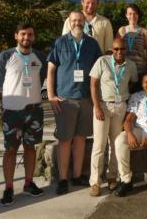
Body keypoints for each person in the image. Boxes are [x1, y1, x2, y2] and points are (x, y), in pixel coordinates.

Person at [47, 10, 102, 195]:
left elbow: (99, 71)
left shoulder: (92, 44)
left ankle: (77, 176)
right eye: (74, 20)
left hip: (86, 99)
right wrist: (50, 94)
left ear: (85, 22)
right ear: (69, 22)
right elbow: (51, 69)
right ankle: (63, 179)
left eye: (80, 20)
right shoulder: (60, 42)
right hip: (66, 99)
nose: (77, 23)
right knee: (65, 141)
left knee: (80, 139)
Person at [0, 23, 47, 206]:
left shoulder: (39, 56)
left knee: (31, 148)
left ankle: (28, 183)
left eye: (30, 34)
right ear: (16, 36)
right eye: (23, 34)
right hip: (12, 112)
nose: (27, 38)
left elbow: (44, 78)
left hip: (35, 110)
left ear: (34, 37)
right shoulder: (5, 56)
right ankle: (8, 187)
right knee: (10, 150)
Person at [88, 38, 138, 196]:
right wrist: (96, 106)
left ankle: (112, 177)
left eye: (122, 49)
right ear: (111, 49)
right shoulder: (102, 61)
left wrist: (122, 95)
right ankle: (95, 182)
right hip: (103, 106)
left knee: (116, 143)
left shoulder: (130, 65)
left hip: (120, 107)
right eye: (116, 49)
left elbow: (132, 83)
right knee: (99, 145)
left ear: (126, 50)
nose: (119, 52)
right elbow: (93, 84)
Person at [117, 3, 147, 73]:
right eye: (130, 13)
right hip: (124, 69)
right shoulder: (122, 30)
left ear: (138, 15)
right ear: (126, 15)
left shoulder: (144, 32)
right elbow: (116, 49)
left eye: (135, 13)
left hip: (139, 69)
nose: (132, 16)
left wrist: (146, 64)